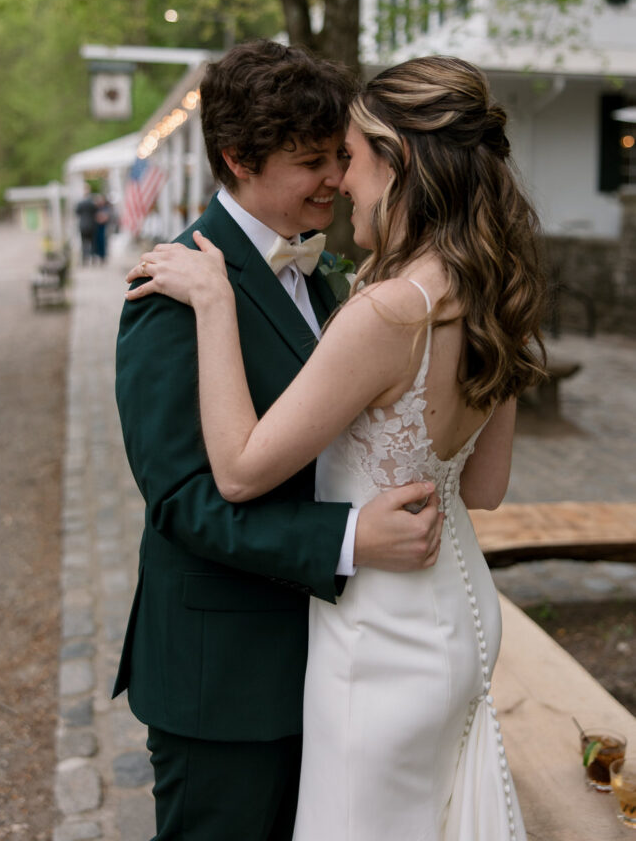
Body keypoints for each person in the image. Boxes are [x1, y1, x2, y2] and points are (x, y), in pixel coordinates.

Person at [126, 55, 547, 840]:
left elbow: (258, 465)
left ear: (400, 164)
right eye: (313, 161)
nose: (335, 180)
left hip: (369, 647)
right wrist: (349, 538)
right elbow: (183, 501)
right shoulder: (172, 291)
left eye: (343, 157)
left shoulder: (358, 290)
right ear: (239, 161)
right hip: (248, 670)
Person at [75, 184, 97, 265]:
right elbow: (96, 212)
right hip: (91, 225)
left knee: (84, 243)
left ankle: (85, 259)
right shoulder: (92, 202)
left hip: (83, 225)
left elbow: (77, 212)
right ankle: (92, 258)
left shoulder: (80, 203)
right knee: (92, 243)